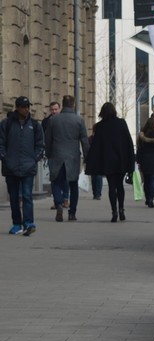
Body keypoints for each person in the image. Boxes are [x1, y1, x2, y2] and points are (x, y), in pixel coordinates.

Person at [0, 96, 45, 236]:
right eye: (24, 107)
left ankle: (29, 223)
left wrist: (35, 158)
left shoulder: (34, 125)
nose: (27, 109)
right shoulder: (6, 124)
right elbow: (1, 143)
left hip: (28, 166)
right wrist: (5, 158)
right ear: (17, 108)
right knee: (14, 197)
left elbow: (40, 143)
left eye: (28, 107)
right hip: (11, 166)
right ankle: (16, 224)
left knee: (27, 196)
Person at [85, 103, 135, 222]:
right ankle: (122, 209)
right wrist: (131, 160)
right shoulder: (122, 123)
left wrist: (91, 161)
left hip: (108, 161)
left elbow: (97, 146)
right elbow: (128, 142)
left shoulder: (100, 126)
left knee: (111, 187)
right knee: (120, 186)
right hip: (121, 160)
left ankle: (114, 212)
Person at [45, 95, 90, 222]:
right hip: (73, 157)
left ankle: (59, 203)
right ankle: (72, 213)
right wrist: (87, 157)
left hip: (57, 155)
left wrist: (48, 154)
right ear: (73, 104)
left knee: (56, 182)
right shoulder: (79, 120)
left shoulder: (53, 120)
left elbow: (48, 139)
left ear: (62, 105)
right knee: (73, 185)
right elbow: (84, 141)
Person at [42, 101, 70, 210]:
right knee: (54, 179)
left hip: (64, 154)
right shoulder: (46, 122)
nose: (54, 111)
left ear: (59, 109)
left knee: (65, 179)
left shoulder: (65, 121)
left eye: (56, 109)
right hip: (52, 154)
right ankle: (57, 202)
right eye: (52, 109)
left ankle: (65, 198)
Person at [136, 117, 154, 208]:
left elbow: (139, 149)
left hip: (144, 159)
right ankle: (151, 199)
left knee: (146, 180)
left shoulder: (142, 135)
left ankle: (147, 197)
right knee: (153, 180)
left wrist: (138, 160)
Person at [87, 124, 103, 200]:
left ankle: (95, 193)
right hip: (100, 159)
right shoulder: (102, 138)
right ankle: (98, 194)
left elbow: (87, 149)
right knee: (99, 176)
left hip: (92, 160)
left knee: (94, 177)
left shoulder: (90, 139)